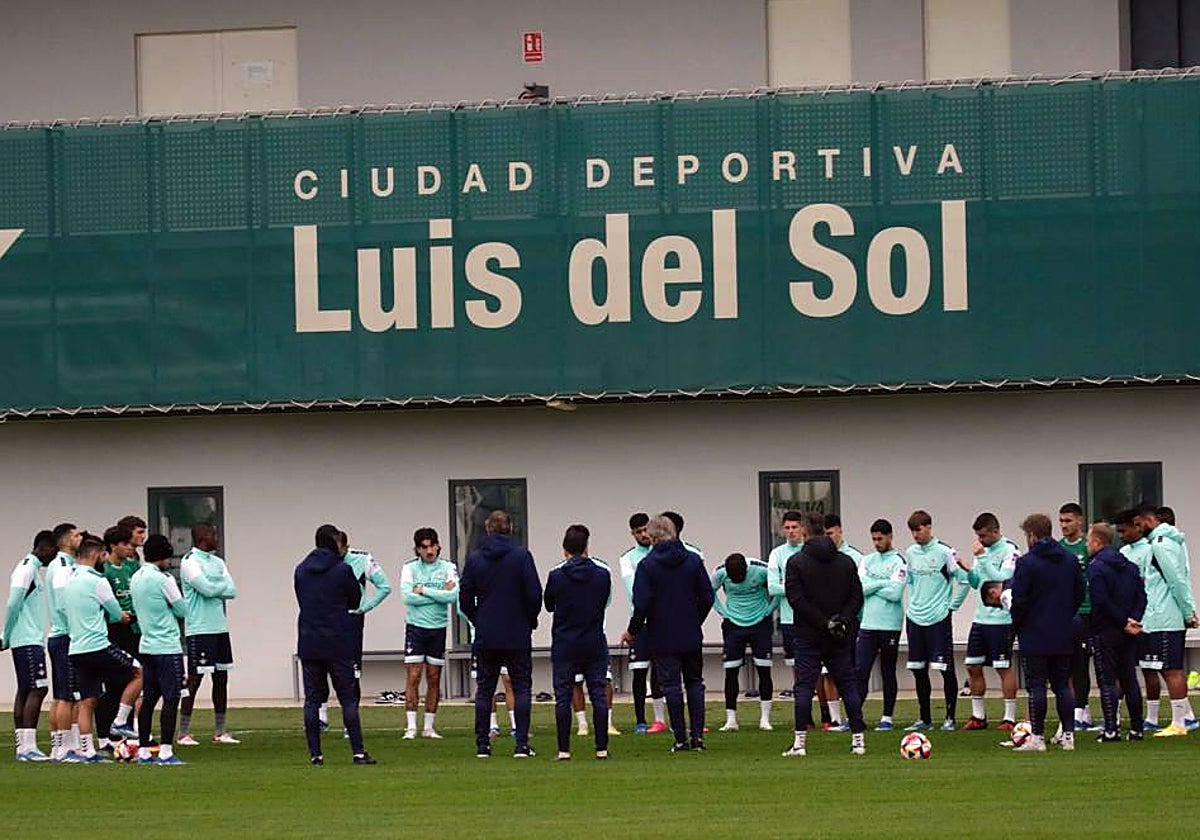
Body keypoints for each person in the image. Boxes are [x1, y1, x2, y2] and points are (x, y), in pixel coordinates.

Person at [621, 515, 713, 753]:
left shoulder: (647, 566)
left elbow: (641, 603)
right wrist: (696, 620)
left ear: (652, 537)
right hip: (690, 631)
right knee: (695, 683)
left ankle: (680, 738)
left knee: (671, 685)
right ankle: (698, 738)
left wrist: (633, 630)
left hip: (661, 632)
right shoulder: (693, 561)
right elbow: (707, 597)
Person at [459, 510, 542, 758]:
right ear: (510, 528)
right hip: (516, 631)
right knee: (522, 686)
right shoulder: (521, 556)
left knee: (484, 689)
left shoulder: (474, 559)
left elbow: (464, 598)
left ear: (488, 529)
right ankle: (521, 744)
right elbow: (534, 594)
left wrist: (478, 618)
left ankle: (483, 744)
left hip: (487, 632)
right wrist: (529, 620)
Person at [295, 524, 375, 765]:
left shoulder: (301, 570)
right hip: (339, 641)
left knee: (312, 699)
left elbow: (301, 598)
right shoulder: (343, 570)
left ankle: (315, 754)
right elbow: (355, 598)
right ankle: (358, 751)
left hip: (309, 640)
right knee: (347, 698)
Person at [782, 534, 866, 757]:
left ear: (806, 534)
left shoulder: (796, 562)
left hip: (808, 634)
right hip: (839, 635)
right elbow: (857, 597)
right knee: (848, 685)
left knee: (804, 688)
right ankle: (859, 741)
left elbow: (796, 599)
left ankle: (799, 744)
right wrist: (842, 621)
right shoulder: (846, 562)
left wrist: (822, 622)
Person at [1009, 513, 1085, 752]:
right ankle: (1068, 736)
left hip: (1034, 631)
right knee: (1062, 685)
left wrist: (1017, 624)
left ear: (1031, 535)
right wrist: (1065, 615)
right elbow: (1079, 593)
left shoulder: (1026, 563)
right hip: (1063, 629)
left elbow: (1019, 600)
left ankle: (1038, 738)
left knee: (1037, 685)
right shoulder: (1069, 560)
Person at [64, 533, 137, 763]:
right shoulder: (97, 580)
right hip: (98, 645)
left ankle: (87, 751)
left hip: (76, 649)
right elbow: (117, 614)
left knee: (87, 700)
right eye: (103, 554)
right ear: (96, 554)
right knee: (139, 671)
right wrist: (127, 616)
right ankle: (121, 720)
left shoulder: (70, 580)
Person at [545, 524, 612, 760]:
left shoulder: (556, 576)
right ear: (586, 548)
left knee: (563, 697)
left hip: (565, 641)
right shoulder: (603, 575)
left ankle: (564, 749)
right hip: (593, 640)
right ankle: (601, 748)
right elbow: (603, 601)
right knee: (598, 696)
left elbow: (549, 605)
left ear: (565, 550)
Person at [1134, 505, 1198, 737]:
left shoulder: (1161, 544)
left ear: (1149, 520)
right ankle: (1185, 716)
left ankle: (1180, 723)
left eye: (1139, 523)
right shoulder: (1165, 542)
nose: (1138, 529)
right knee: (1165, 668)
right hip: (1160, 615)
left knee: (1172, 670)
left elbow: (1176, 580)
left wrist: (1188, 612)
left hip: (1165, 616)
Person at [903, 510, 969, 732]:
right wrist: (912, 605)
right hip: (914, 618)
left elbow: (965, 580)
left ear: (929, 527)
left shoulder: (944, 552)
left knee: (944, 668)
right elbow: (910, 582)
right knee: (918, 670)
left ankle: (950, 718)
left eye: (919, 530)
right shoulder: (911, 553)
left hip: (938, 619)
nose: (915, 535)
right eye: (912, 531)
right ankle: (925, 719)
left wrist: (951, 607)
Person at [177, 524, 238, 746]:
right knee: (194, 681)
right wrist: (218, 585)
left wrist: (216, 585)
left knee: (221, 679)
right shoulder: (190, 561)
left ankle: (220, 731)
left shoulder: (218, 562)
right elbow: (207, 589)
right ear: (203, 537)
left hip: (219, 628)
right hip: (199, 629)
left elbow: (232, 590)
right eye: (213, 534)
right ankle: (183, 733)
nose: (217, 538)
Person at [130, 534, 189, 765]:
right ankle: (165, 750)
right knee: (172, 698)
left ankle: (144, 749)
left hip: (147, 645)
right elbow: (181, 609)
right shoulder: (164, 579)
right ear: (162, 556)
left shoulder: (136, 577)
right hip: (167, 646)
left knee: (149, 699)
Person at [958, 513, 1020, 731]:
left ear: (995, 531)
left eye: (983, 535)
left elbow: (1001, 580)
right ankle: (978, 716)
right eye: (978, 536)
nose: (980, 540)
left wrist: (983, 558)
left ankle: (1009, 718)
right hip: (980, 618)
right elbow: (978, 583)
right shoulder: (981, 552)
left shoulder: (1010, 550)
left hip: (1001, 619)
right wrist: (968, 570)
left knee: (1002, 667)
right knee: (972, 665)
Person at [1086, 522, 1146, 743]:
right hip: (1129, 631)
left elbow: (1100, 601)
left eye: (1088, 540)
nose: (1086, 545)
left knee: (1108, 681)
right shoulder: (1130, 566)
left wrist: (1122, 621)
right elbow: (1142, 596)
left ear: (1097, 541)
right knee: (1129, 678)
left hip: (1106, 629)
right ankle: (1137, 728)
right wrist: (1134, 620)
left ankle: (1111, 729)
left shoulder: (1096, 567)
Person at [2, 530, 58, 761]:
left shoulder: (32, 568)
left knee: (27, 688)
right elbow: (13, 602)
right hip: (26, 639)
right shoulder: (26, 569)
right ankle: (27, 747)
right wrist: (6, 634)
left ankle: (23, 746)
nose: (54, 556)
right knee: (38, 688)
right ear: (43, 548)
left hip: (28, 638)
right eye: (53, 551)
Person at [399, 527, 456, 739]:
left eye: (432, 545)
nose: (429, 550)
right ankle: (411, 726)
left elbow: (452, 596)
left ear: (438, 545)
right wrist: (438, 594)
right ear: (417, 550)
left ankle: (429, 726)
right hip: (415, 627)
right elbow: (407, 597)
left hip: (438, 627)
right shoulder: (410, 568)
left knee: (434, 677)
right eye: (424, 547)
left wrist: (423, 590)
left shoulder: (448, 567)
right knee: (414, 675)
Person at [332, 530, 392, 730]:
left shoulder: (362, 559)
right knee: (322, 666)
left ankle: (351, 723)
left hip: (351, 620)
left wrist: (364, 608)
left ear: (346, 547)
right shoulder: (322, 562)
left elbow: (385, 586)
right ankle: (322, 718)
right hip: (327, 620)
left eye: (338, 548)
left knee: (352, 670)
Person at [711, 552, 777, 732]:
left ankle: (765, 719)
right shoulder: (720, 573)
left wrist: (770, 610)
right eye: (734, 579)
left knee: (764, 670)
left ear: (746, 571)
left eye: (741, 577)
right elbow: (708, 591)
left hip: (760, 624)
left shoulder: (761, 570)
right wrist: (723, 613)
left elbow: (779, 588)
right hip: (734, 625)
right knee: (731, 672)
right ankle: (731, 720)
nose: (738, 580)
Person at [855, 519, 906, 731]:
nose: (877, 543)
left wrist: (871, 586)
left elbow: (895, 595)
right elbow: (858, 589)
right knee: (860, 671)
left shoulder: (899, 561)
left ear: (890, 536)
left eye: (880, 538)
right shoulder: (867, 560)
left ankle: (887, 717)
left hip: (890, 625)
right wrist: (883, 583)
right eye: (874, 539)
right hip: (867, 624)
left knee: (887, 671)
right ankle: (856, 716)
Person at [618, 513, 665, 734]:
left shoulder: (662, 553)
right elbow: (633, 590)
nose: (644, 535)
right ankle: (640, 721)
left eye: (646, 530)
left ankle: (660, 719)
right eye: (638, 532)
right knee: (639, 671)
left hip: (661, 621)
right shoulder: (627, 558)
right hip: (641, 622)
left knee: (661, 671)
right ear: (633, 534)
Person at [97, 524, 142, 743]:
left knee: (134, 681)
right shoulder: (103, 570)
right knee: (115, 685)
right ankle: (106, 735)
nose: (129, 548)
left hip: (133, 630)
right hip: (114, 631)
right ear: (113, 546)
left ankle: (127, 731)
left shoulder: (131, 568)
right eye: (124, 544)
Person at [1116, 509, 1157, 732]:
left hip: (1147, 616)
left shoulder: (1150, 550)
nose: (1121, 535)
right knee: (1122, 669)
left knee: (1149, 667)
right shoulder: (1122, 552)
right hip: (1124, 620)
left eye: (1124, 530)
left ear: (1136, 527)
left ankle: (1151, 716)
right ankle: (1115, 715)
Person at [46, 522, 82, 761]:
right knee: (67, 695)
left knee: (64, 694)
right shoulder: (61, 567)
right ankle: (64, 747)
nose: (80, 538)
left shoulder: (67, 565)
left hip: (62, 636)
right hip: (65, 636)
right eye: (77, 534)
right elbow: (62, 602)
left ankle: (61, 746)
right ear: (67, 539)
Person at [1058, 502, 1095, 731]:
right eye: (1061, 521)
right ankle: (1078, 710)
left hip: (1087, 611)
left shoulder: (1086, 546)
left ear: (1080, 521)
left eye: (1068, 520)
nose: (1064, 525)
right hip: (1065, 613)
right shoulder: (1060, 548)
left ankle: (1082, 710)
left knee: (1082, 664)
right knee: (1068, 665)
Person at [768, 511, 805, 698]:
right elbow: (773, 588)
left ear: (802, 528)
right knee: (795, 665)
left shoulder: (809, 550)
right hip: (789, 619)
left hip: (811, 618)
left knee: (816, 666)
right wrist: (798, 587)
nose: (791, 532)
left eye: (795, 527)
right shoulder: (777, 553)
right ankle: (803, 711)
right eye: (787, 528)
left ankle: (827, 713)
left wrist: (787, 585)